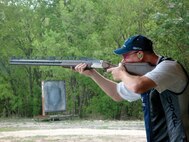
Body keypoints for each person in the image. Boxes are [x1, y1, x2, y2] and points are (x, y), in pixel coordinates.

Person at [74, 35, 189, 142]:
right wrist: (92, 74)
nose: (122, 61)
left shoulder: (169, 67)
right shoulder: (145, 77)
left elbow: (137, 86)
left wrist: (122, 74)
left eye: (125, 56)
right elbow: (116, 94)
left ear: (140, 54)